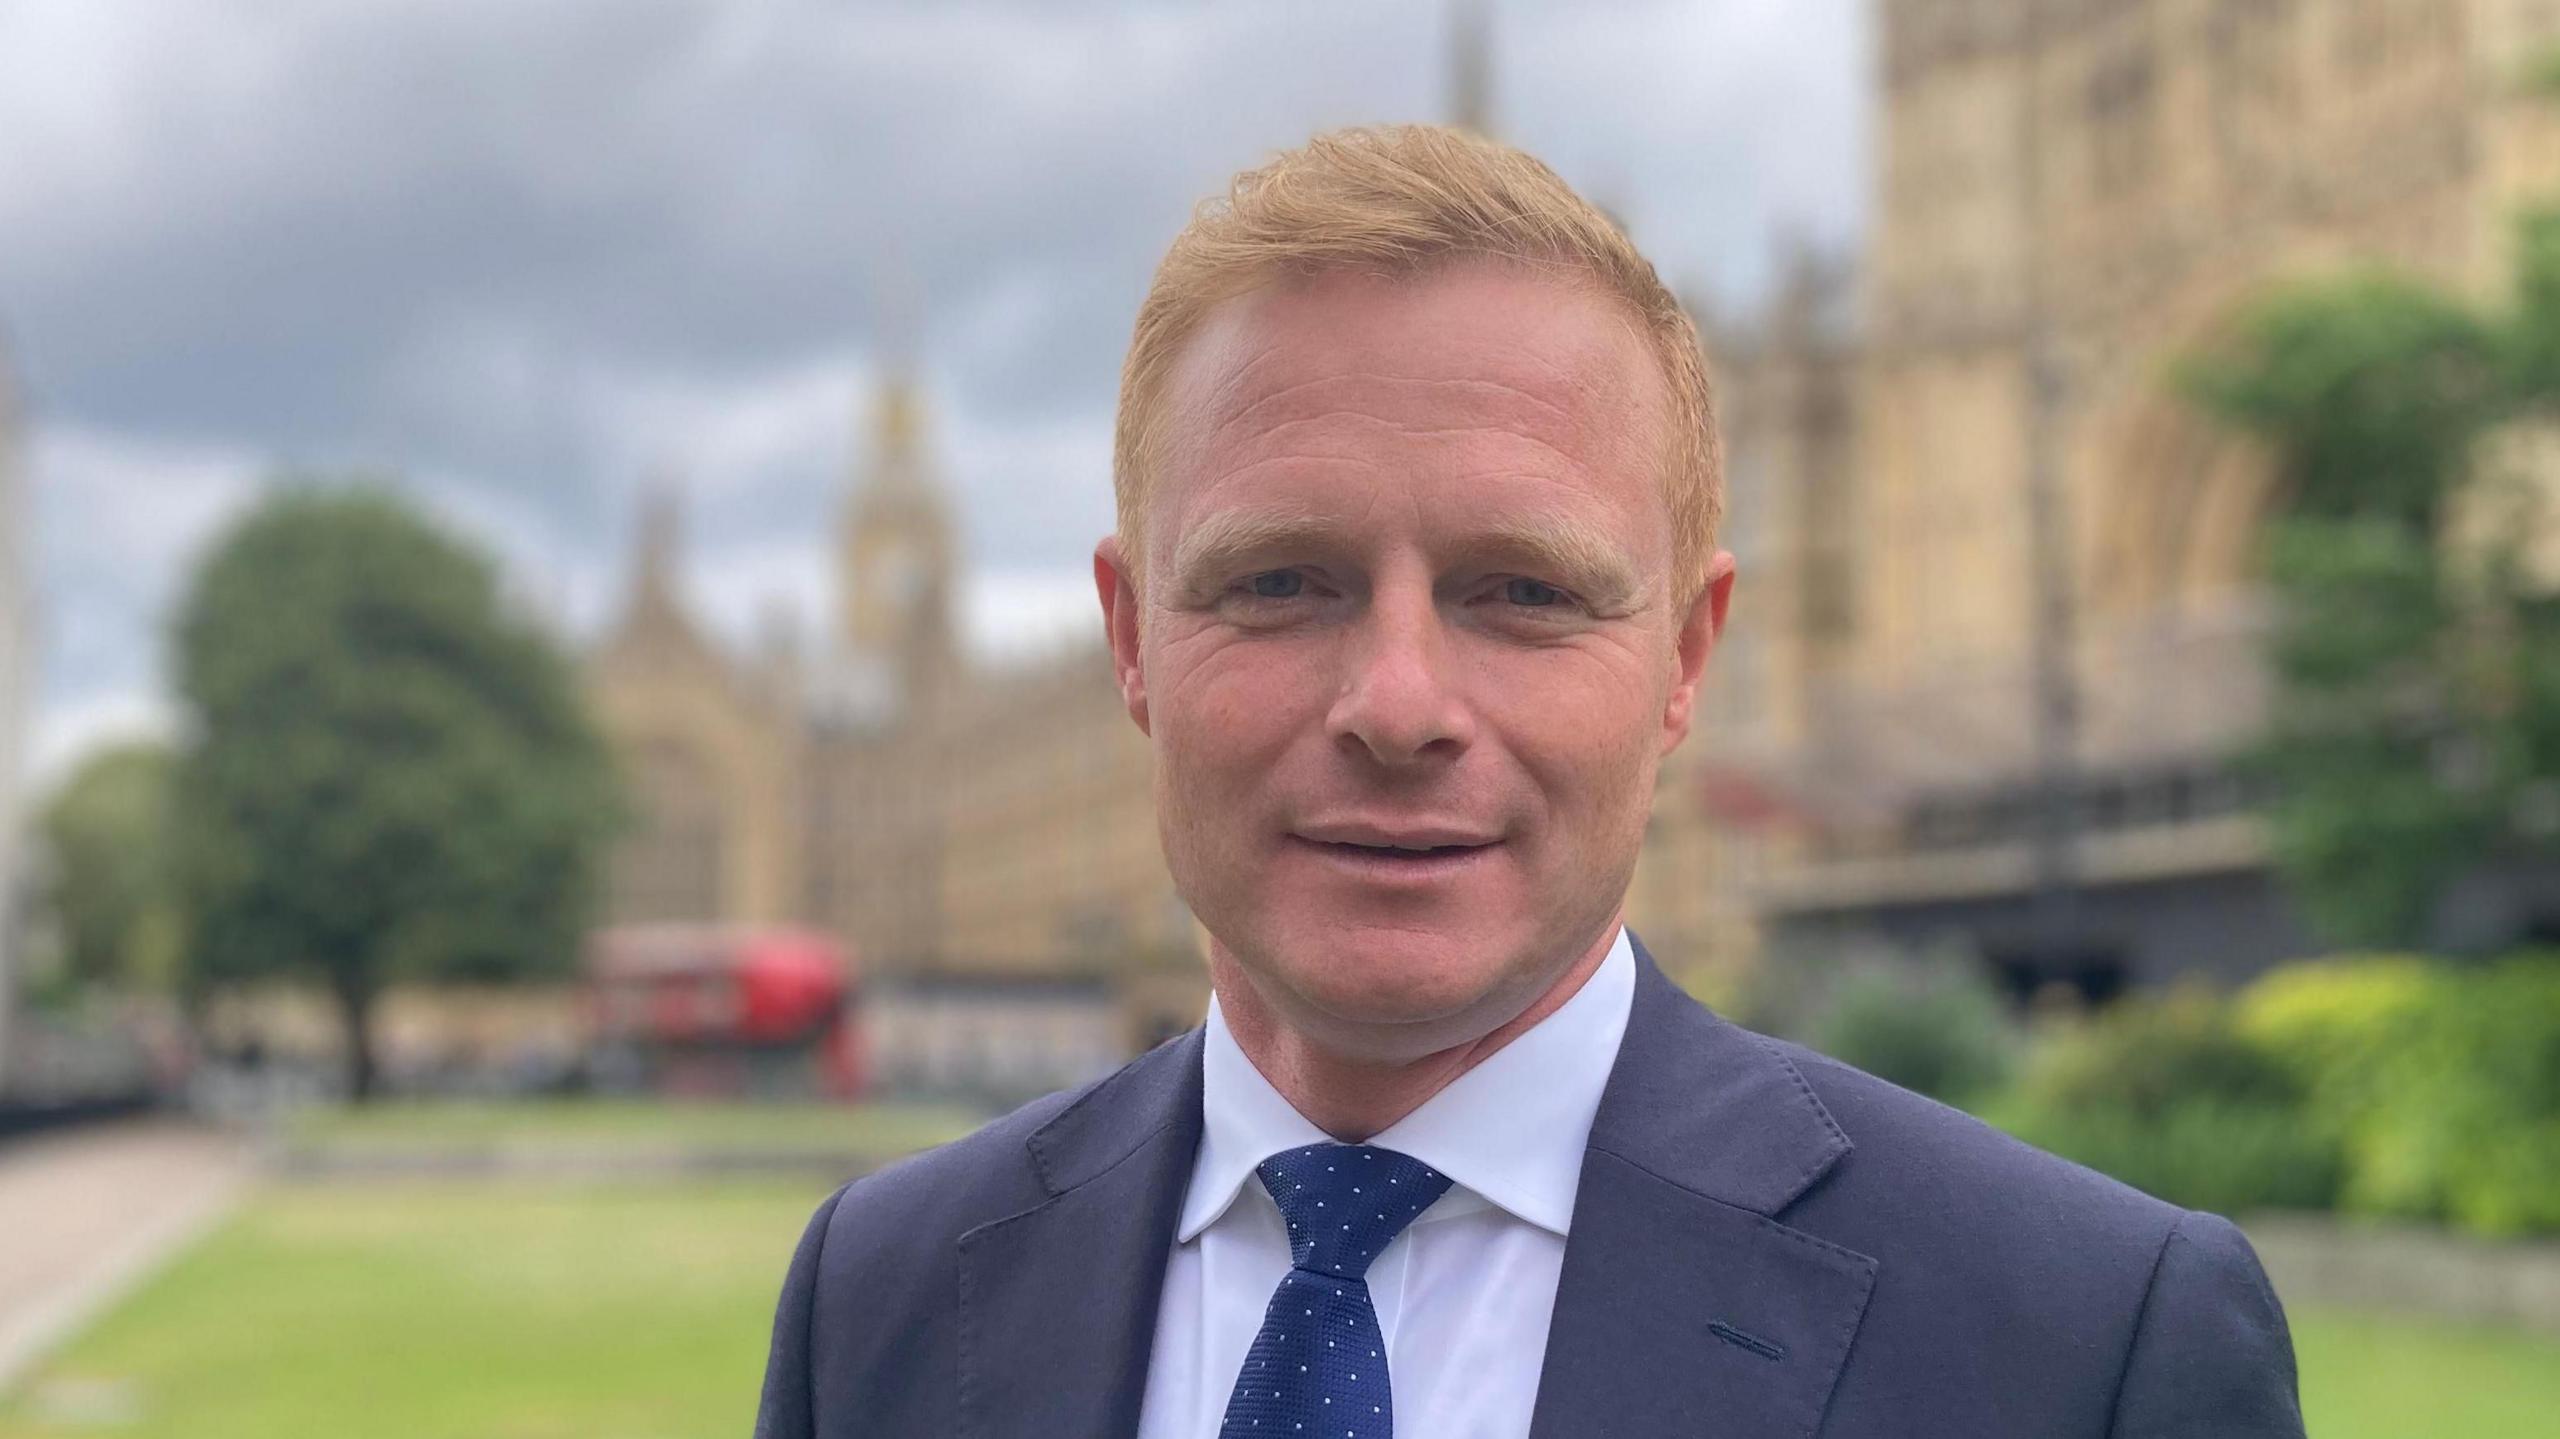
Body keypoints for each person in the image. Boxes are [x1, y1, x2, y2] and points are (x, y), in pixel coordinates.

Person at [751, 124, 2304, 1439]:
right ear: (1132, 640)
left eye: (1524, 593)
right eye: (1284, 583)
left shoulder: (2085, 1345)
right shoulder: (881, 1298)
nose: (1399, 705)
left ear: (1687, 657)